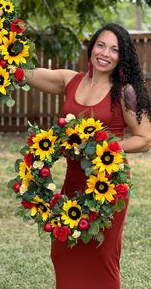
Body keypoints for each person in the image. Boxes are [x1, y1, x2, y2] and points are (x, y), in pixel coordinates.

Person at [24, 23, 151, 289]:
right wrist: (8, 64)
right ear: (92, 47)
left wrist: (104, 144)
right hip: (73, 182)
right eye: (101, 45)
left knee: (101, 255)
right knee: (62, 250)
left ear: (122, 56)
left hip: (109, 187)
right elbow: (28, 74)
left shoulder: (124, 92)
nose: (105, 53)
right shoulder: (70, 80)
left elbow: (145, 138)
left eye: (115, 49)